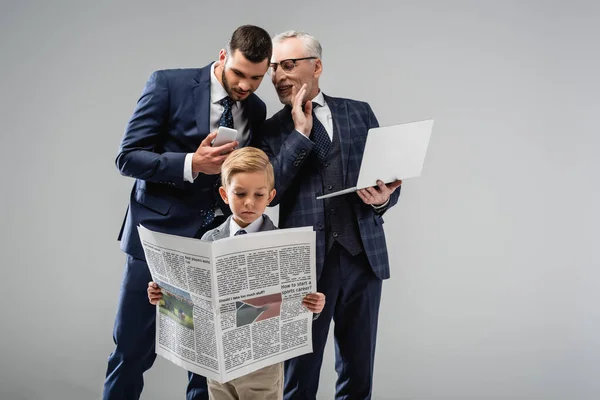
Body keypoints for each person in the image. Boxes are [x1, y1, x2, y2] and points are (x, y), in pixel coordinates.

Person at [104, 25, 273, 400]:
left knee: (207, 362)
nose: (245, 86)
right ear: (223, 57)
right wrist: (191, 163)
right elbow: (127, 157)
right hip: (156, 242)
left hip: (214, 246)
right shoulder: (168, 84)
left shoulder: (256, 110)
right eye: (239, 74)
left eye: (257, 79)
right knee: (132, 351)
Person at [259, 31, 402, 399]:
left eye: (288, 65)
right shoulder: (271, 130)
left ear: (316, 66)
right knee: (298, 378)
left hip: (362, 258)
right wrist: (301, 135)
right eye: (274, 68)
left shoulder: (359, 112)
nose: (278, 76)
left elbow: (388, 180)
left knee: (358, 373)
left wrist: (382, 199)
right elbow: (269, 194)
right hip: (303, 266)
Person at [147, 147, 326, 400]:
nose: (249, 202)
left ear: (270, 196)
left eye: (259, 194)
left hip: (262, 363)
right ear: (224, 194)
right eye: (240, 194)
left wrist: (314, 305)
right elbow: (196, 299)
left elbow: (295, 305)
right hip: (218, 364)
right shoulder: (210, 239)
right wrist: (163, 296)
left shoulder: (281, 244)